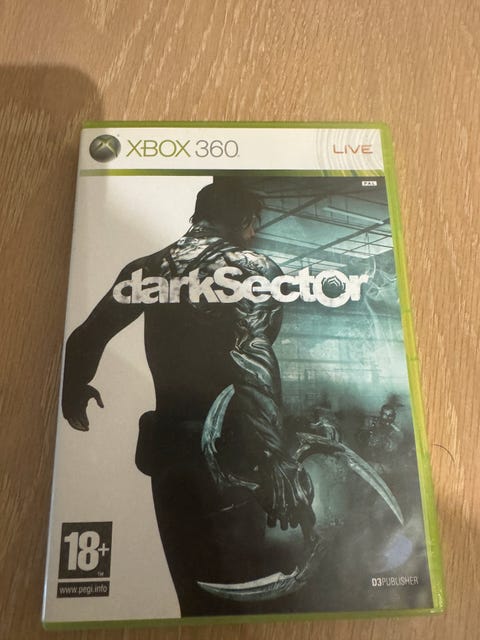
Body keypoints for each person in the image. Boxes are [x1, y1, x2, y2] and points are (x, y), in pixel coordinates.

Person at [62, 178, 314, 616]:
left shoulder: (147, 269)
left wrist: (74, 388)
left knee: (195, 596)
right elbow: (252, 355)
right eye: (253, 224)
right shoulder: (252, 268)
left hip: (170, 453)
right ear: (243, 219)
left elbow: (85, 338)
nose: (254, 233)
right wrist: (276, 456)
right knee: (250, 596)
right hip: (238, 455)